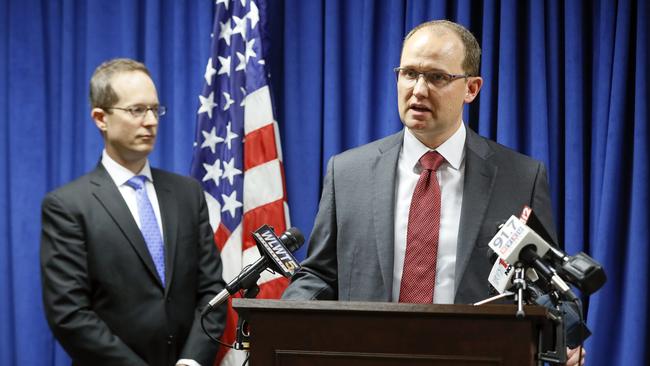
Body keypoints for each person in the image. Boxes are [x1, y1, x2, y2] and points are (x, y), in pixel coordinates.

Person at [281, 20, 586, 365]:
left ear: (471, 88)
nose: (419, 89)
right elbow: (320, 275)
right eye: (409, 73)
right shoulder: (347, 173)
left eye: (437, 77)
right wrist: (279, 325)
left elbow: (547, 286)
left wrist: (565, 342)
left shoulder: (520, 177)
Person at [40, 58, 226, 366]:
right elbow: (69, 314)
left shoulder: (187, 194)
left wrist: (192, 361)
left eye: (155, 109)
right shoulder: (68, 207)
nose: (151, 121)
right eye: (136, 110)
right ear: (101, 118)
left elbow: (212, 291)